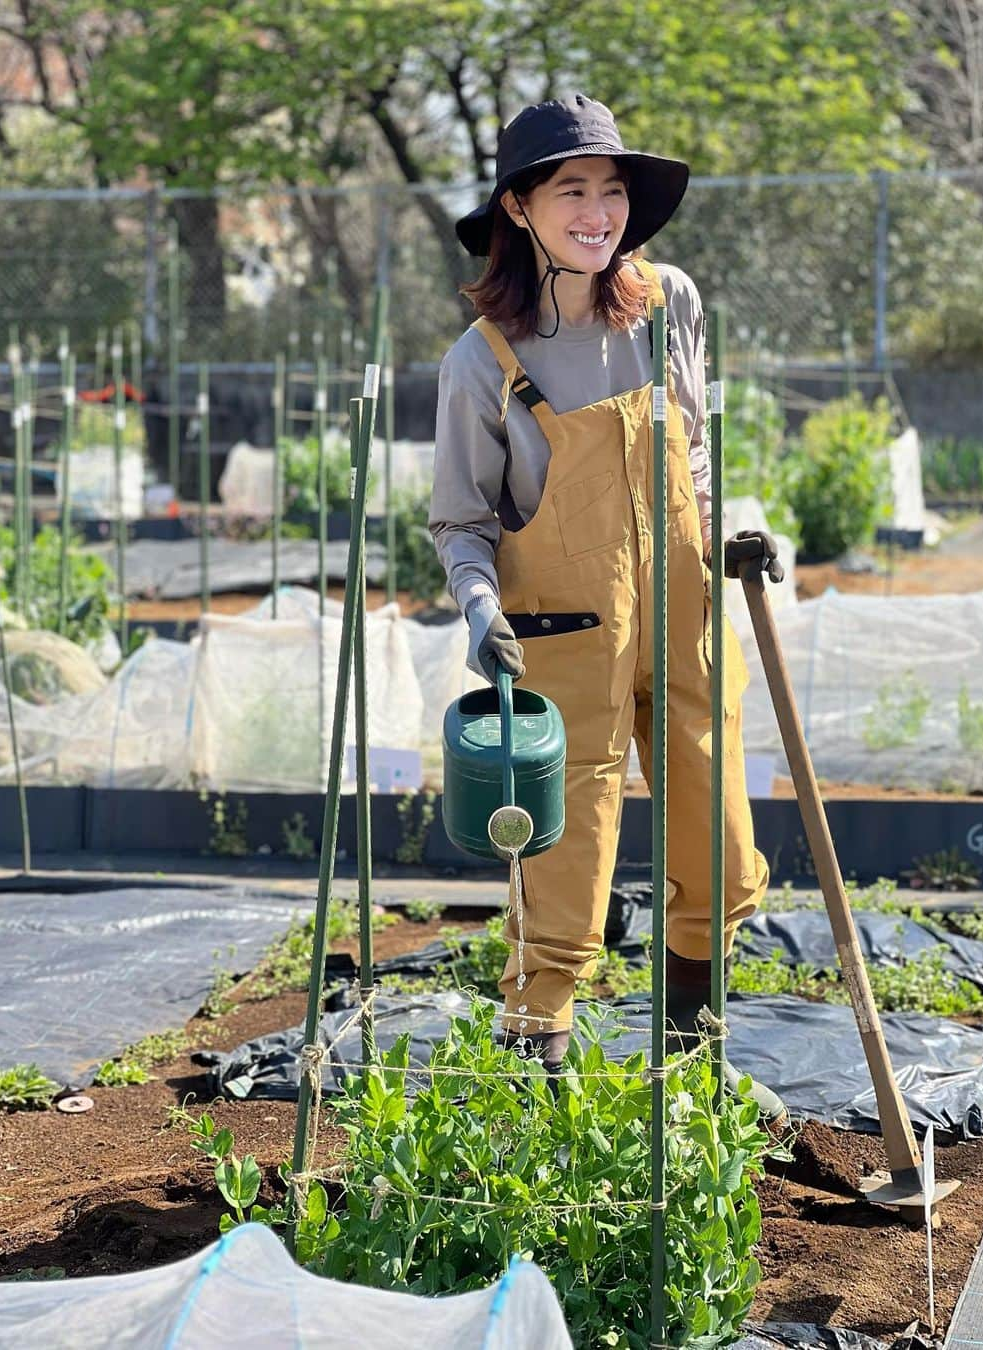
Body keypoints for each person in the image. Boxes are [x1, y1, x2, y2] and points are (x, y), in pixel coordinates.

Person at [430, 94, 784, 1121]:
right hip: (560, 637)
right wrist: (477, 605)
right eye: (572, 190)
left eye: (613, 191)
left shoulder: (668, 304)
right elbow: (460, 524)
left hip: (683, 623)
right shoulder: (483, 361)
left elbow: (698, 454)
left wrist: (729, 533)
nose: (597, 212)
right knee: (565, 868)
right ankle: (536, 1090)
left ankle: (694, 1070)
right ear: (521, 207)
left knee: (715, 847)